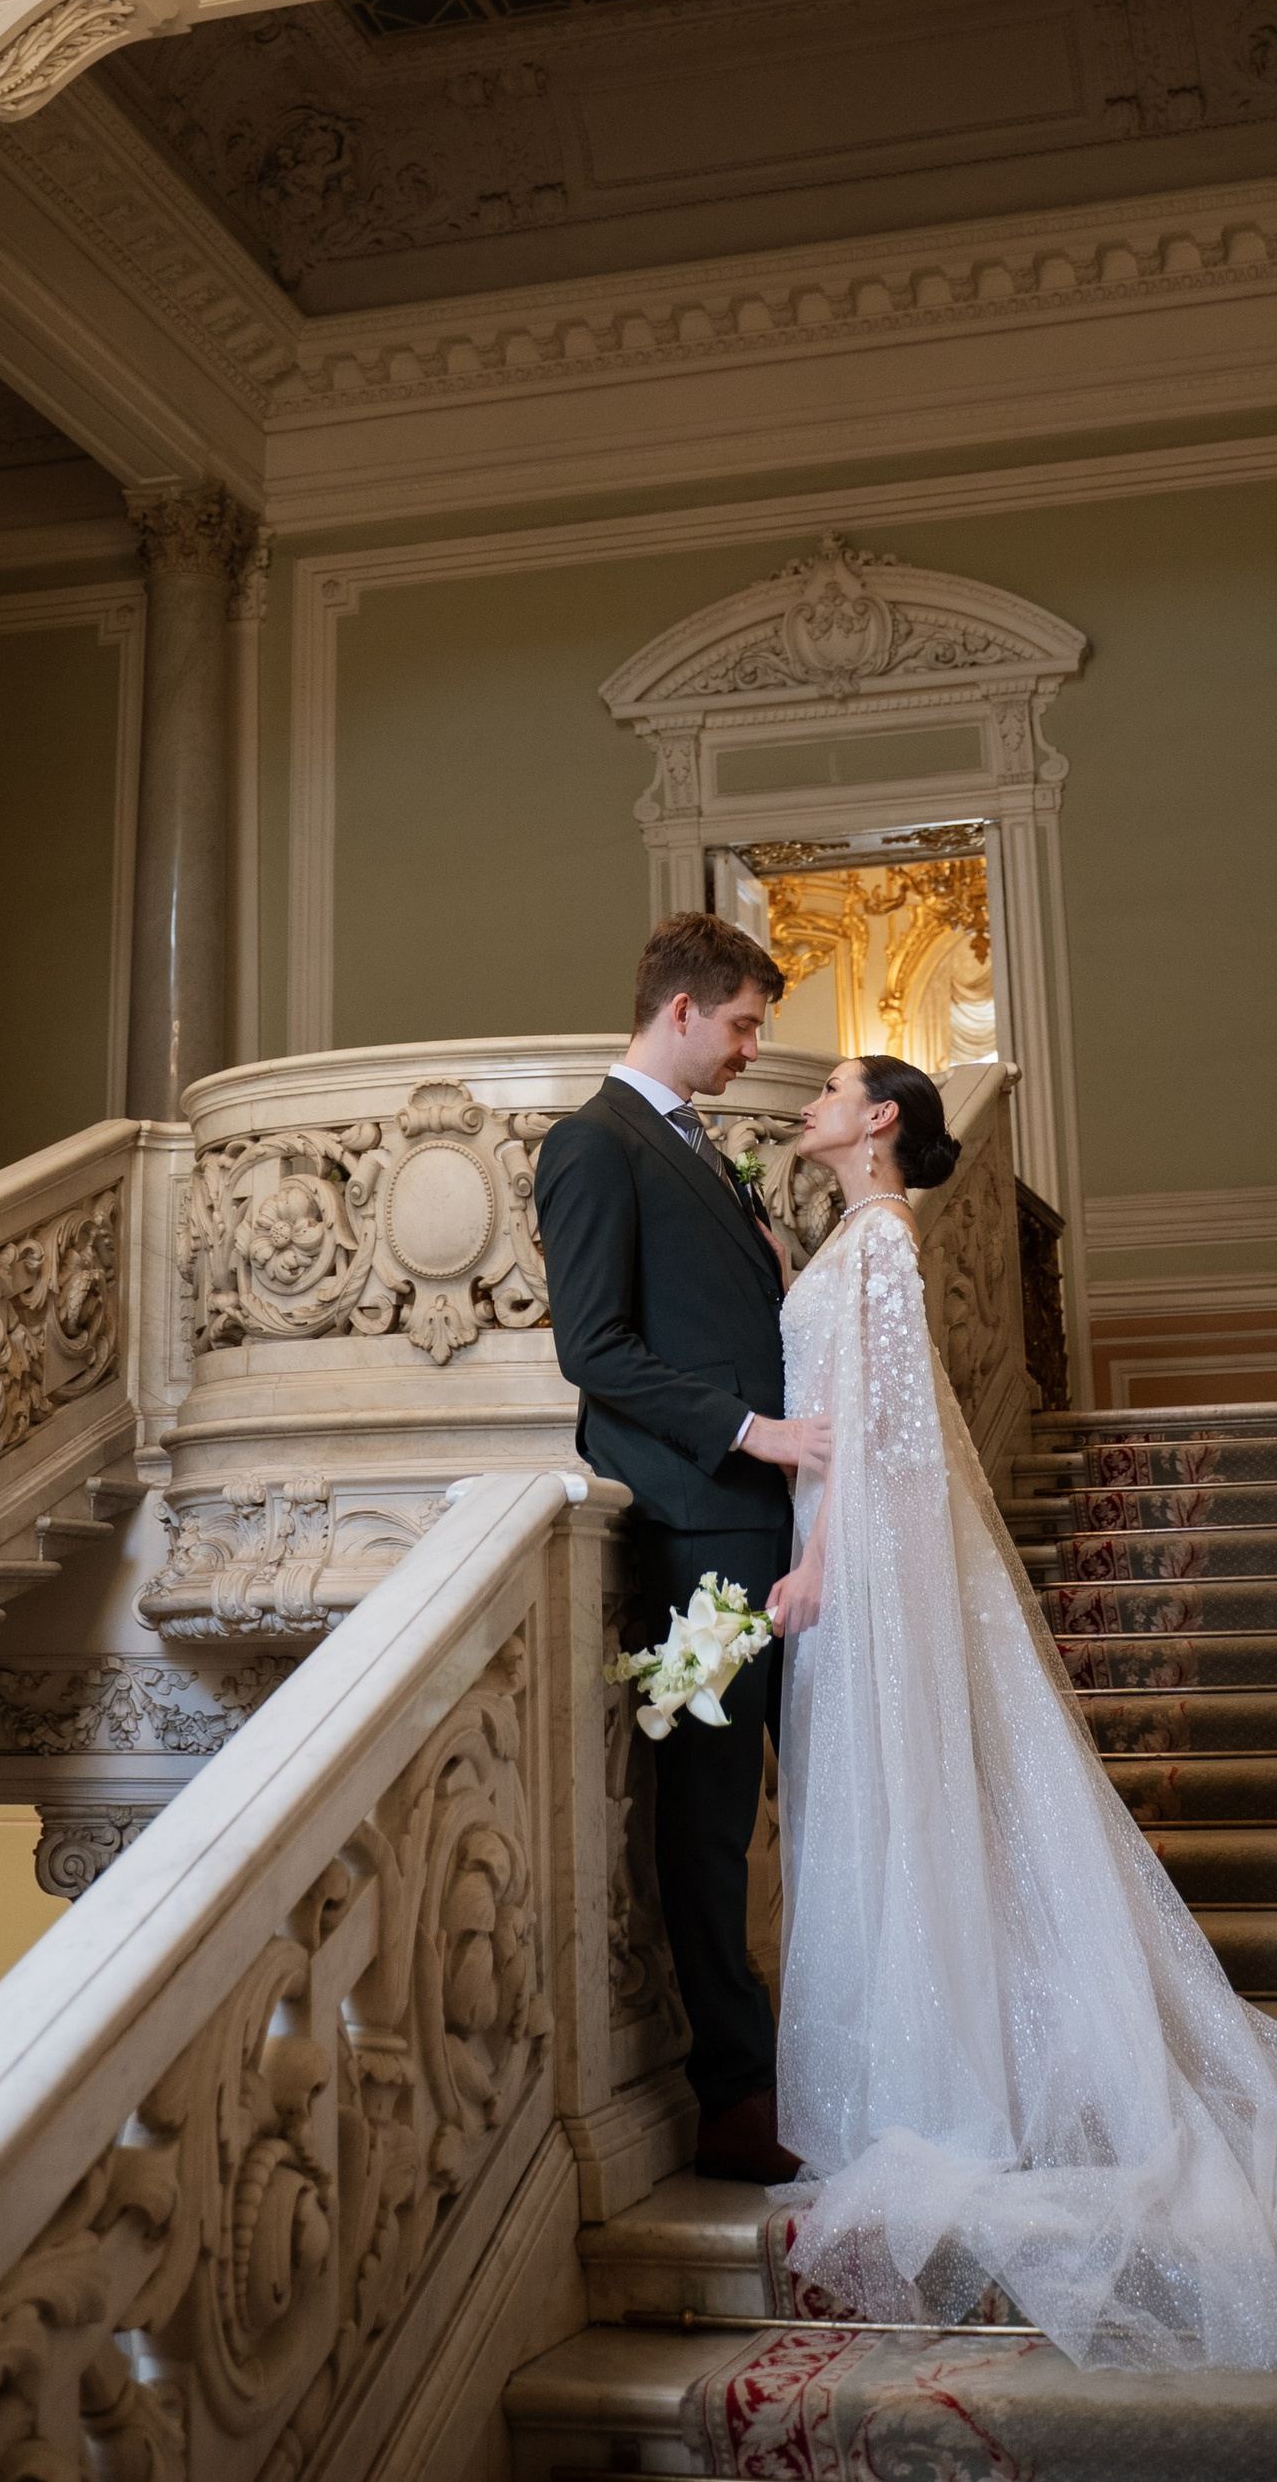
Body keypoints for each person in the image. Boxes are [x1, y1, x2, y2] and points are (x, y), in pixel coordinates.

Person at [767, 1052, 1277, 2367]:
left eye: (832, 1086)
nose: (815, 1103)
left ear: (880, 1119)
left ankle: (961, 2076)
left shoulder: (885, 1236)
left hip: (868, 1557)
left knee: (914, 1793)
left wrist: (822, 1560)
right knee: (879, 1804)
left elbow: (885, 1427)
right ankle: (918, 2055)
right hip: (851, 1546)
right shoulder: (848, 1238)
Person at [537, 913, 826, 2185]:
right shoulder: (591, 1145)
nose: (750, 1049)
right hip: (699, 1527)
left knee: (808, 1810)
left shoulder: (699, 1148)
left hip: (780, 1526)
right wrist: (750, 1432)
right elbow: (593, 1351)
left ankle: (826, 2060)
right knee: (708, 1825)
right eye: (745, 1025)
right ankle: (735, 2091)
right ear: (681, 1013)